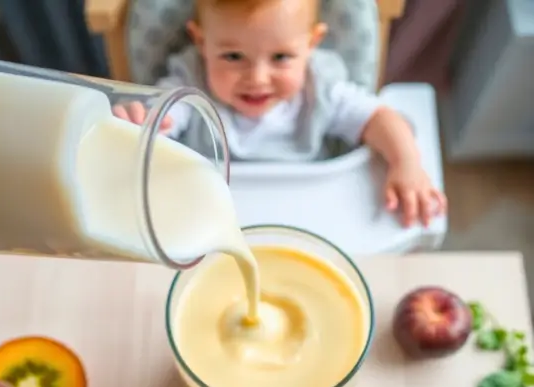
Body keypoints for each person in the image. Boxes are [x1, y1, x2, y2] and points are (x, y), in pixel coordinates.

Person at [113, 0, 447, 227]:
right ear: (201, 42)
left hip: (309, 218)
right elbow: (166, 116)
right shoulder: (191, 84)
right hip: (208, 218)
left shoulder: (321, 88)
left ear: (311, 44)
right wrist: (141, 123)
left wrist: (407, 163)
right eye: (232, 56)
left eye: (281, 57)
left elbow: (381, 119)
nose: (257, 78)